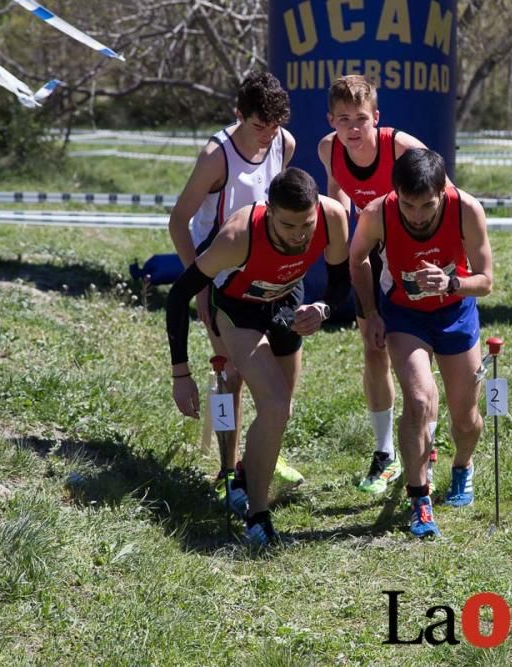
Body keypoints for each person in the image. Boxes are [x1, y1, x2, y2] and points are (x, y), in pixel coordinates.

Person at [166, 168, 350, 547]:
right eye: (288, 226)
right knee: (274, 402)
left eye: (306, 224)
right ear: (269, 212)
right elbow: (177, 295)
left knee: (281, 409)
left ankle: (245, 476)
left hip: (285, 301)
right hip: (237, 310)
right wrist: (180, 374)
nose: (299, 235)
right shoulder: (237, 236)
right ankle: (255, 513)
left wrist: (323, 309)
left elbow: (340, 283)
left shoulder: (333, 218)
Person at [167, 71, 306, 505]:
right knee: (231, 377)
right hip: (219, 274)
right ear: (238, 115)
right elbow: (178, 222)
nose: (267, 136)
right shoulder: (216, 157)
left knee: (281, 380)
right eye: (258, 126)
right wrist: (200, 284)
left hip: (269, 275)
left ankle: (259, 456)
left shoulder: (285, 143)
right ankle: (228, 471)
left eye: (274, 126)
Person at [349, 148, 493, 538]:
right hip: (404, 315)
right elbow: (357, 257)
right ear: (395, 193)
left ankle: (462, 466)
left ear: (443, 192)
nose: (416, 215)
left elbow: (486, 280)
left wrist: (451, 283)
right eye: (408, 205)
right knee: (418, 402)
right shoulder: (378, 212)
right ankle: (420, 499)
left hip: (455, 313)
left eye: (426, 205)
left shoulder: (466, 209)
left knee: (465, 416)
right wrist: (370, 312)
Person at [317, 75, 443, 495]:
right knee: (374, 350)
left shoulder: (401, 147)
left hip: (416, 251)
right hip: (372, 250)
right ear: (331, 120)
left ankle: (430, 433)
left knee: (427, 345)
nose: (353, 129)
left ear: (377, 117)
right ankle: (385, 453)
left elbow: (442, 194)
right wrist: (342, 255)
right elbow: (336, 201)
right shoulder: (328, 149)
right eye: (344, 120)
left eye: (361, 119)